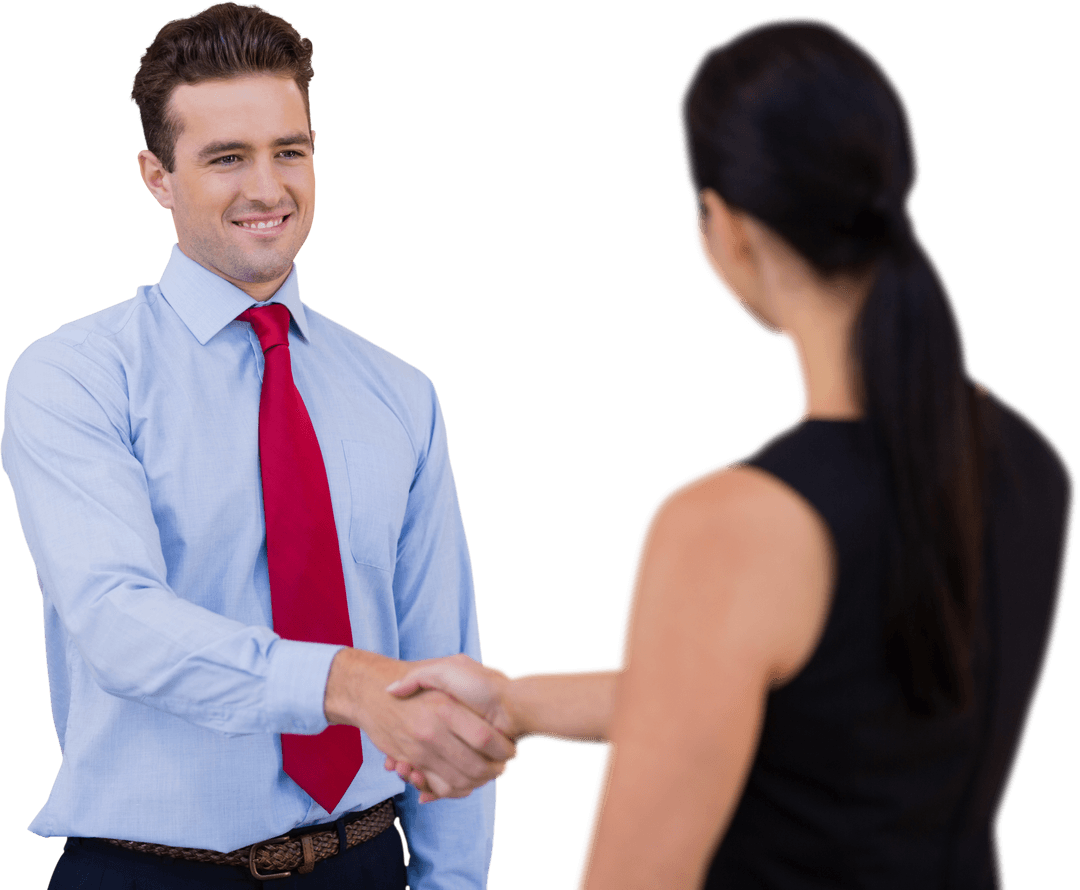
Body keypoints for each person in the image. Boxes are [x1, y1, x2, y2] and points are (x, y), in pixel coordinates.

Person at [381, 16, 1076, 889]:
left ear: (730, 228)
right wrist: (517, 701)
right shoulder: (1032, 458)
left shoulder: (731, 525)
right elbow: (809, 702)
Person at [0, 3, 517, 888]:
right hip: (150, 873)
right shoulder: (77, 376)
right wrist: (343, 683)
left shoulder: (400, 394)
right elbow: (118, 622)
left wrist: (453, 882)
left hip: (365, 863)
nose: (268, 188)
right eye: (226, 158)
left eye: (290, 151)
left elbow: (445, 667)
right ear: (158, 177)